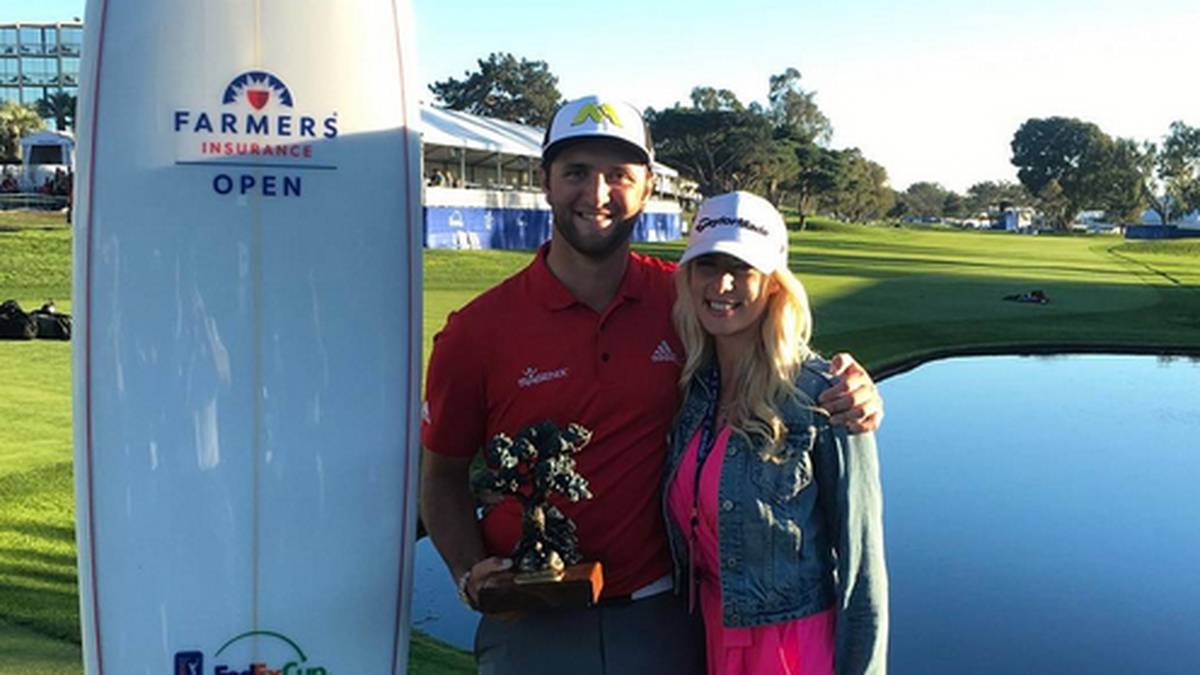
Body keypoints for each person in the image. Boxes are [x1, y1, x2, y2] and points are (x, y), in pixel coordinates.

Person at [420, 95, 884, 674]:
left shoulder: (686, 301)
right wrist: (468, 571)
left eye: (619, 175)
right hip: (529, 622)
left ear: (645, 189)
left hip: (663, 621)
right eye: (576, 173)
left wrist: (849, 383)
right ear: (544, 182)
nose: (596, 194)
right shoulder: (477, 331)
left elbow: (770, 345)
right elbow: (440, 475)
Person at [665, 191, 887, 674]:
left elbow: (862, 571)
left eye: (742, 268)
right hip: (706, 636)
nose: (721, 284)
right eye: (708, 264)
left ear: (773, 284)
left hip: (792, 651)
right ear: (688, 275)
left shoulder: (825, 398)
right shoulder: (693, 389)